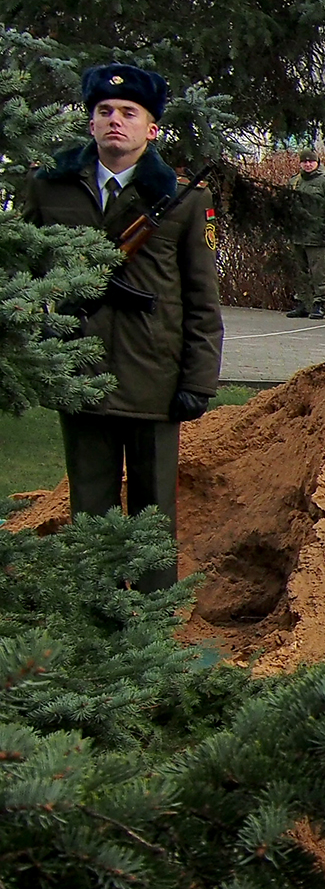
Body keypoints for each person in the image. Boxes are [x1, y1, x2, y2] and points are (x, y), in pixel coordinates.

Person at [20, 63, 223, 591]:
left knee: (154, 513)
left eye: (129, 113)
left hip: (153, 374)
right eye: (104, 111)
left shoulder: (184, 200)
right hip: (79, 369)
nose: (116, 121)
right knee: (90, 506)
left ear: (151, 128)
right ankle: (96, 620)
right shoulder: (50, 188)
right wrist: (36, 349)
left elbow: (203, 301)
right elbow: (19, 270)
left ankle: (152, 627)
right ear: (90, 123)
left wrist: (198, 381)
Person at [284, 147, 325, 319]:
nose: (308, 165)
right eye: (304, 161)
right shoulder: (294, 182)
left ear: (317, 163)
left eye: (311, 161)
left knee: (318, 272)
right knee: (300, 270)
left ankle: (319, 303)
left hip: (317, 236)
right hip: (297, 235)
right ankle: (302, 302)